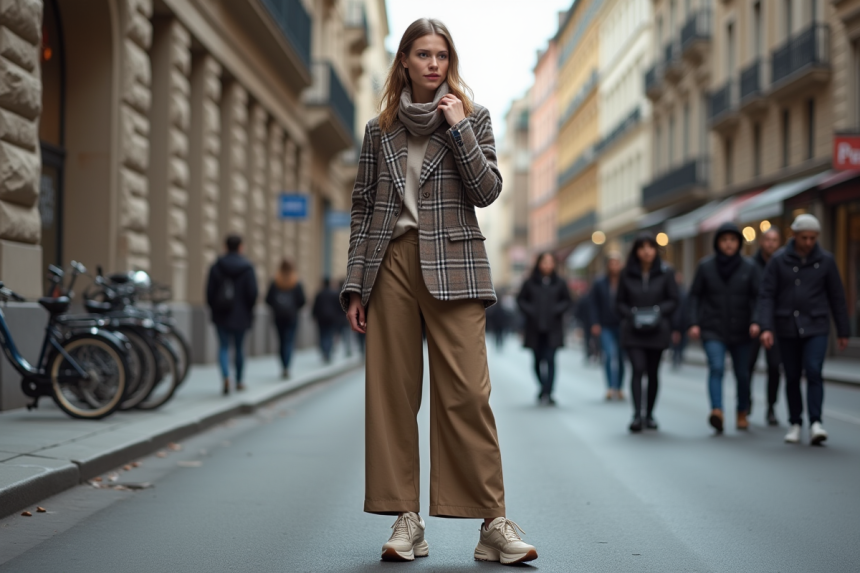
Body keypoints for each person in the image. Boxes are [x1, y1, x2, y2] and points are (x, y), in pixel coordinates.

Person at [340, 19, 538, 564]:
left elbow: (487, 190)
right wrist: (355, 285)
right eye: (423, 54)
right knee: (392, 397)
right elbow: (362, 208)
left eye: (442, 55)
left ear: (451, 62)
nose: (433, 64)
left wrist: (459, 129)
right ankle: (406, 520)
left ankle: (492, 523)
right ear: (404, 61)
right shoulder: (379, 130)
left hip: (456, 265)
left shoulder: (473, 117)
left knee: (468, 394)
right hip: (390, 265)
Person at [757, 214, 850, 445]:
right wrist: (766, 327)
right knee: (792, 375)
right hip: (786, 326)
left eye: (812, 238)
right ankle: (795, 422)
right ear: (794, 235)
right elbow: (767, 295)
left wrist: (843, 330)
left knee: (814, 370)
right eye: (804, 237)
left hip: (816, 325)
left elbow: (837, 296)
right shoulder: (778, 260)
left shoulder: (826, 261)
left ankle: (816, 422)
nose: (808, 242)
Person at [687, 223, 761, 433]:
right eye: (724, 240)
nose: (729, 244)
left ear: (739, 243)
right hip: (713, 328)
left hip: (743, 330)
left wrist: (757, 321)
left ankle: (742, 411)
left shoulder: (749, 267)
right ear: (717, 243)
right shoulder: (705, 266)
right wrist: (693, 322)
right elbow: (694, 296)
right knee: (716, 368)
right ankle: (717, 411)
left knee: (743, 374)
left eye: (733, 240)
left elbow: (759, 298)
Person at [615, 233, 679, 433]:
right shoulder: (626, 274)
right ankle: (637, 415)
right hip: (633, 331)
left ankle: (649, 414)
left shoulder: (666, 272)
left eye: (650, 247)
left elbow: (674, 299)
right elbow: (619, 302)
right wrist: (632, 314)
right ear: (636, 251)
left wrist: (658, 312)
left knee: (652, 372)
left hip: (657, 330)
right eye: (642, 247)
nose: (647, 251)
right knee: (637, 368)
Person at [517, 252, 572, 405]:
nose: (547, 265)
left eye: (550, 262)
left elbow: (567, 301)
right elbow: (521, 300)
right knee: (537, 360)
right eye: (544, 262)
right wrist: (531, 311)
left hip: (553, 328)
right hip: (534, 328)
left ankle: (548, 391)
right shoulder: (529, 283)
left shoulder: (560, 283)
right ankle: (543, 387)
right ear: (539, 264)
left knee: (550, 359)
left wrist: (556, 310)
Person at [206, 234, 258, 395]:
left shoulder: (216, 266)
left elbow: (209, 292)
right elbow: (253, 293)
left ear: (225, 247)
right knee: (239, 348)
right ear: (241, 247)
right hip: (241, 315)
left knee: (223, 347)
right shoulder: (248, 268)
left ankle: (226, 376)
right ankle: (240, 380)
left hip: (221, 314)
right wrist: (248, 310)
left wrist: (214, 308)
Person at [748, 227, 783, 425]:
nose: (770, 243)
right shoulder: (751, 265)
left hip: (775, 324)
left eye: (774, 240)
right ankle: (746, 401)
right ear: (761, 242)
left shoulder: (782, 264)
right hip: (753, 323)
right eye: (767, 239)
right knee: (748, 365)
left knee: (774, 366)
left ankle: (771, 406)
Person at [589, 251, 626, 400]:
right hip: (605, 325)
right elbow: (593, 304)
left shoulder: (625, 281)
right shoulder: (599, 283)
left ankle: (619, 387)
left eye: (617, 263)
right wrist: (595, 322)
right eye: (611, 263)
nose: (614, 266)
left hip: (623, 324)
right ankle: (611, 387)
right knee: (609, 355)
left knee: (622, 357)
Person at [265, 258, 305, 380]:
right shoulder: (296, 282)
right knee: (289, 341)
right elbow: (302, 300)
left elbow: (268, 299)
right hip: (292, 316)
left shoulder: (275, 281)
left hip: (278, 316)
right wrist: (294, 308)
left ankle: (283, 366)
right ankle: (287, 366)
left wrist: (277, 306)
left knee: (281, 341)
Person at [312, 278, 341, 363]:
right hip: (332, 318)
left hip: (321, 318)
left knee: (323, 335)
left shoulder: (319, 294)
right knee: (330, 335)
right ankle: (328, 352)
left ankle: (325, 351)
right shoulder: (334, 294)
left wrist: (314, 315)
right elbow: (338, 306)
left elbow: (315, 306)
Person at [671, 271, 688, 370]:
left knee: (683, 341)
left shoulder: (684, 291)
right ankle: (675, 356)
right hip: (675, 320)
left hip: (684, 321)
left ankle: (679, 355)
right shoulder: (673, 291)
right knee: (675, 341)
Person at [575, 291, 597, 364]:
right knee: (592, 340)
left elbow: (578, 312)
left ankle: (591, 354)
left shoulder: (585, 299)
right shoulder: (586, 300)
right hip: (588, 322)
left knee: (589, 340)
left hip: (589, 323)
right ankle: (592, 354)